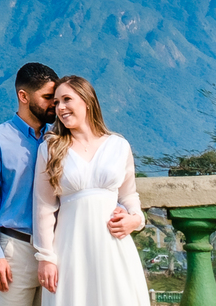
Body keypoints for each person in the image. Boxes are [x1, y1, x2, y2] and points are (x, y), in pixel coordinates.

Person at [33, 75, 149, 306]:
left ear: (87, 101)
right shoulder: (50, 148)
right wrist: (46, 257)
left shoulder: (118, 145)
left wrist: (136, 219)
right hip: (70, 247)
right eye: (56, 103)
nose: (61, 108)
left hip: (113, 245)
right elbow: (43, 206)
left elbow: (128, 195)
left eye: (67, 99)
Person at [0, 63, 59, 306]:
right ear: (23, 96)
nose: (55, 104)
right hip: (15, 250)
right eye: (48, 97)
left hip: (57, 251)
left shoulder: (59, 141)